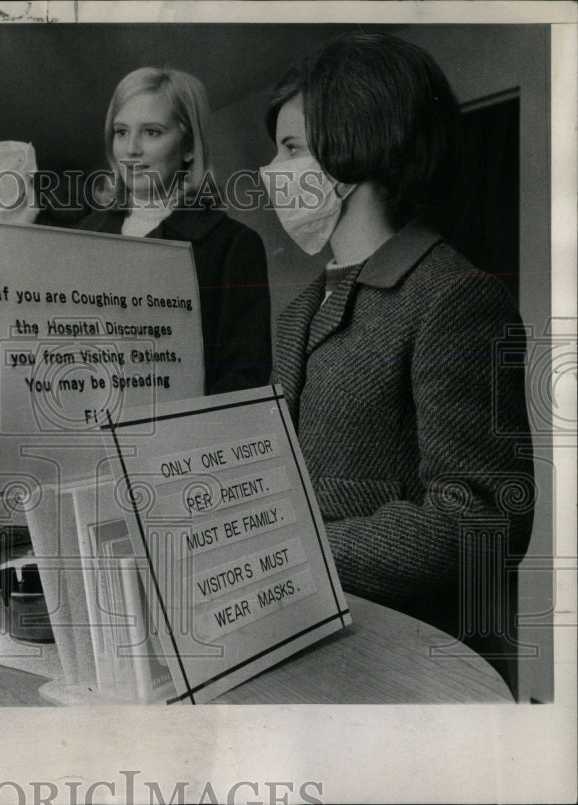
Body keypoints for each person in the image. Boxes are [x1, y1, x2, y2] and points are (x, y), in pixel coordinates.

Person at [261, 33, 534, 693]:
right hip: (317, 643)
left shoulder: (455, 294)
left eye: (292, 147)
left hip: (420, 661)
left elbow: (484, 519)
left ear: (358, 142)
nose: (273, 169)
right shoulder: (299, 309)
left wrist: (301, 554)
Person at [76, 67, 271, 394]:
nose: (131, 149)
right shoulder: (79, 238)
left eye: (151, 132)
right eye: (121, 132)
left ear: (190, 146)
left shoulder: (233, 246)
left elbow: (242, 380)